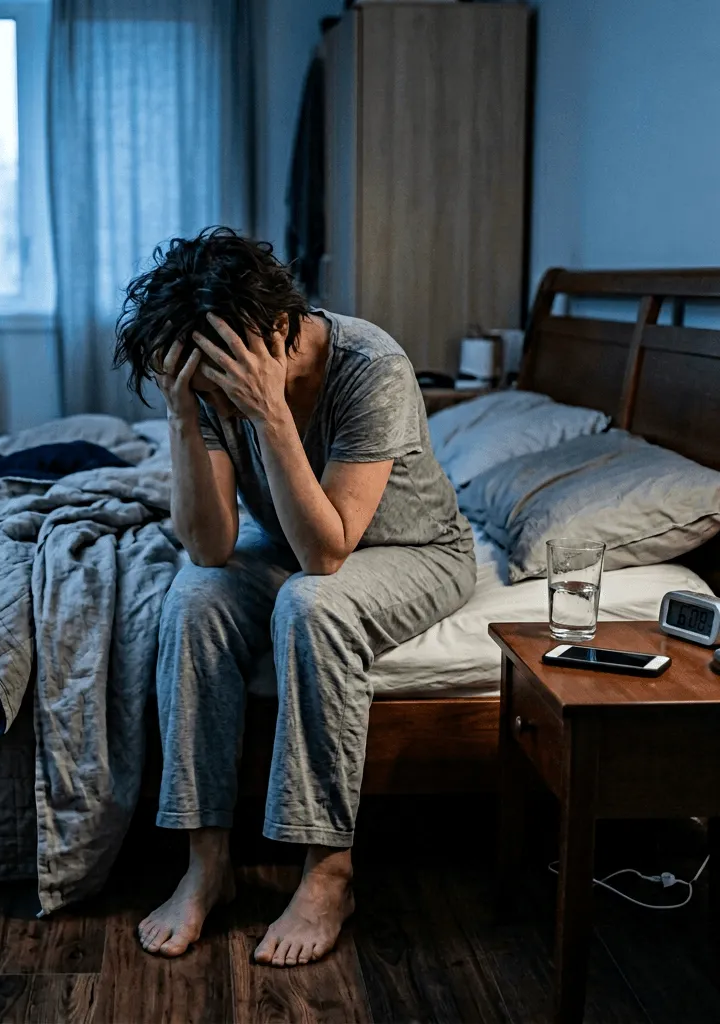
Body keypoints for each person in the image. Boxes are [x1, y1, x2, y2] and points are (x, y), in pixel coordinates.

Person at [113, 227, 476, 966]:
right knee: (192, 599)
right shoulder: (211, 370)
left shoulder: (371, 366)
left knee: (312, 606)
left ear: (277, 329)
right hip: (288, 544)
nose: (214, 392)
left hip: (410, 551)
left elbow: (326, 553)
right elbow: (210, 547)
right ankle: (206, 862)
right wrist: (186, 415)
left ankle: (329, 870)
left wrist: (271, 413)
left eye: (216, 382)